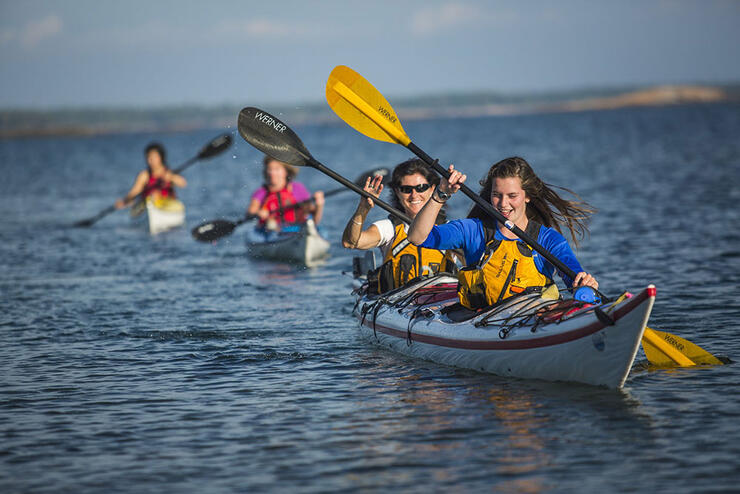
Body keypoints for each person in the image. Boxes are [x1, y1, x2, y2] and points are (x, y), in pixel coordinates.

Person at [407, 156, 598, 309]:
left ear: (528, 196)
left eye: (512, 196)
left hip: (533, 320)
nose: (503, 204)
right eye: (497, 195)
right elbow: (417, 237)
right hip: (480, 323)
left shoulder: (548, 240)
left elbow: (574, 277)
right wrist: (441, 193)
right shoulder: (473, 230)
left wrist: (584, 285)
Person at [342, 158, 456, 292]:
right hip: (399, 304)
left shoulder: (450, 230)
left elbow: (473, 261)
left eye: (421, 188)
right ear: (397, 192)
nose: (414, 195)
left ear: (432, 189)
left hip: (442, 301)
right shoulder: (389, 229)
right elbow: (350, 242)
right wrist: (363, 208)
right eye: (406, 189)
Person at [247, 155, 324, 232]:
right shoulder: (261, 192)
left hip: (296, 229)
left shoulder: (297, 189)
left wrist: (319, 205)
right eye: (270, 169)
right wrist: (258, 213)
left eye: (277, 169)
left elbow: (314, 220)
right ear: (266, 171)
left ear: (286, 172)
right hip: (270, 232)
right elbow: (250, 213)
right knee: (271, 226)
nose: (272, 173)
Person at [115, 142, 186, 209]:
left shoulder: (169, 173)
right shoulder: (144, 175)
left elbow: (183, 184)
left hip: (167, 206)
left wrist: (172, 178)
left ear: (161, 157)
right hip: (148, 205)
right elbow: (134, 192)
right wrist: (125, 200)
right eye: (149, 157)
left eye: (155, 157)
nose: (151, 160)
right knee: (152, 197)